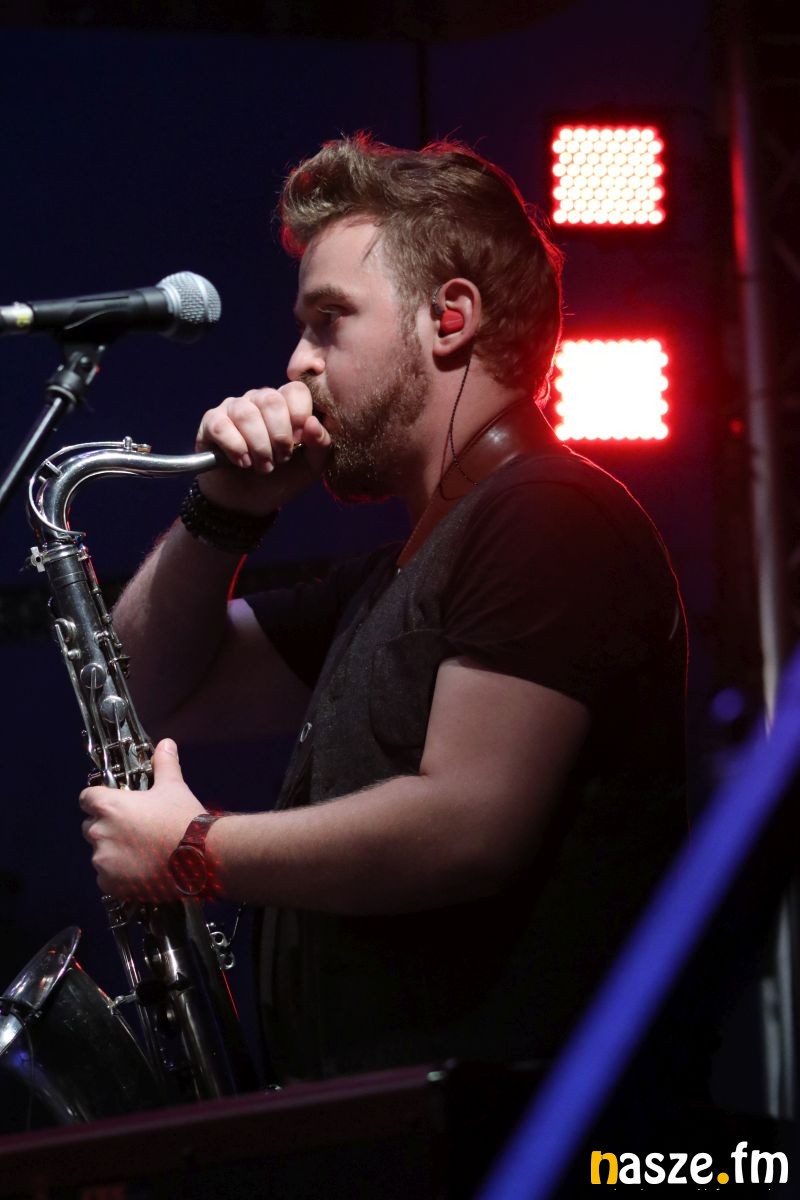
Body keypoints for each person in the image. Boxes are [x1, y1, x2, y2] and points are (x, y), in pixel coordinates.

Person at [78, 135, 688, 1087]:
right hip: (391, 1127)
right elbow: (149, 688)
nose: (296, 362)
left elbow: (469, 822)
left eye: (330, 322)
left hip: (509, 1134)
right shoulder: (385, 579)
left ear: (449, 319)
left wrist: (196, 852)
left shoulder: (549, 512)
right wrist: (222, 514)